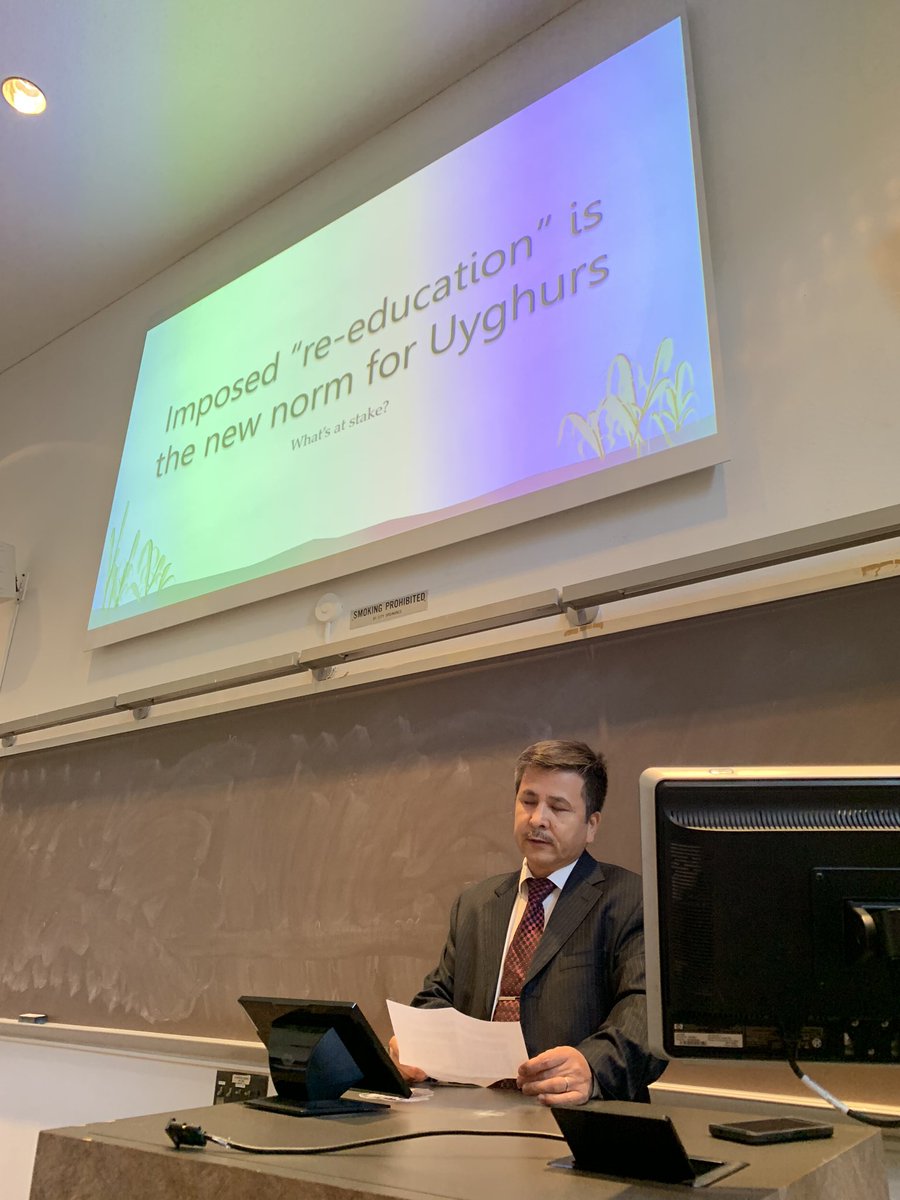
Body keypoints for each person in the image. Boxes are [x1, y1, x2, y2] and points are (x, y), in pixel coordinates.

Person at [389, 739, 665, 1106]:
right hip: (472, 1113)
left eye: (558, 807)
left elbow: (647, 1009)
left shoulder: (631, 899)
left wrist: (592, 1066)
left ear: (591, 825)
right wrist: (416, 1041)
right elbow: (438, 996)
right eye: (528, 802)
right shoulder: (476, 904)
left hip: (577, 1115)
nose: (537, 819)